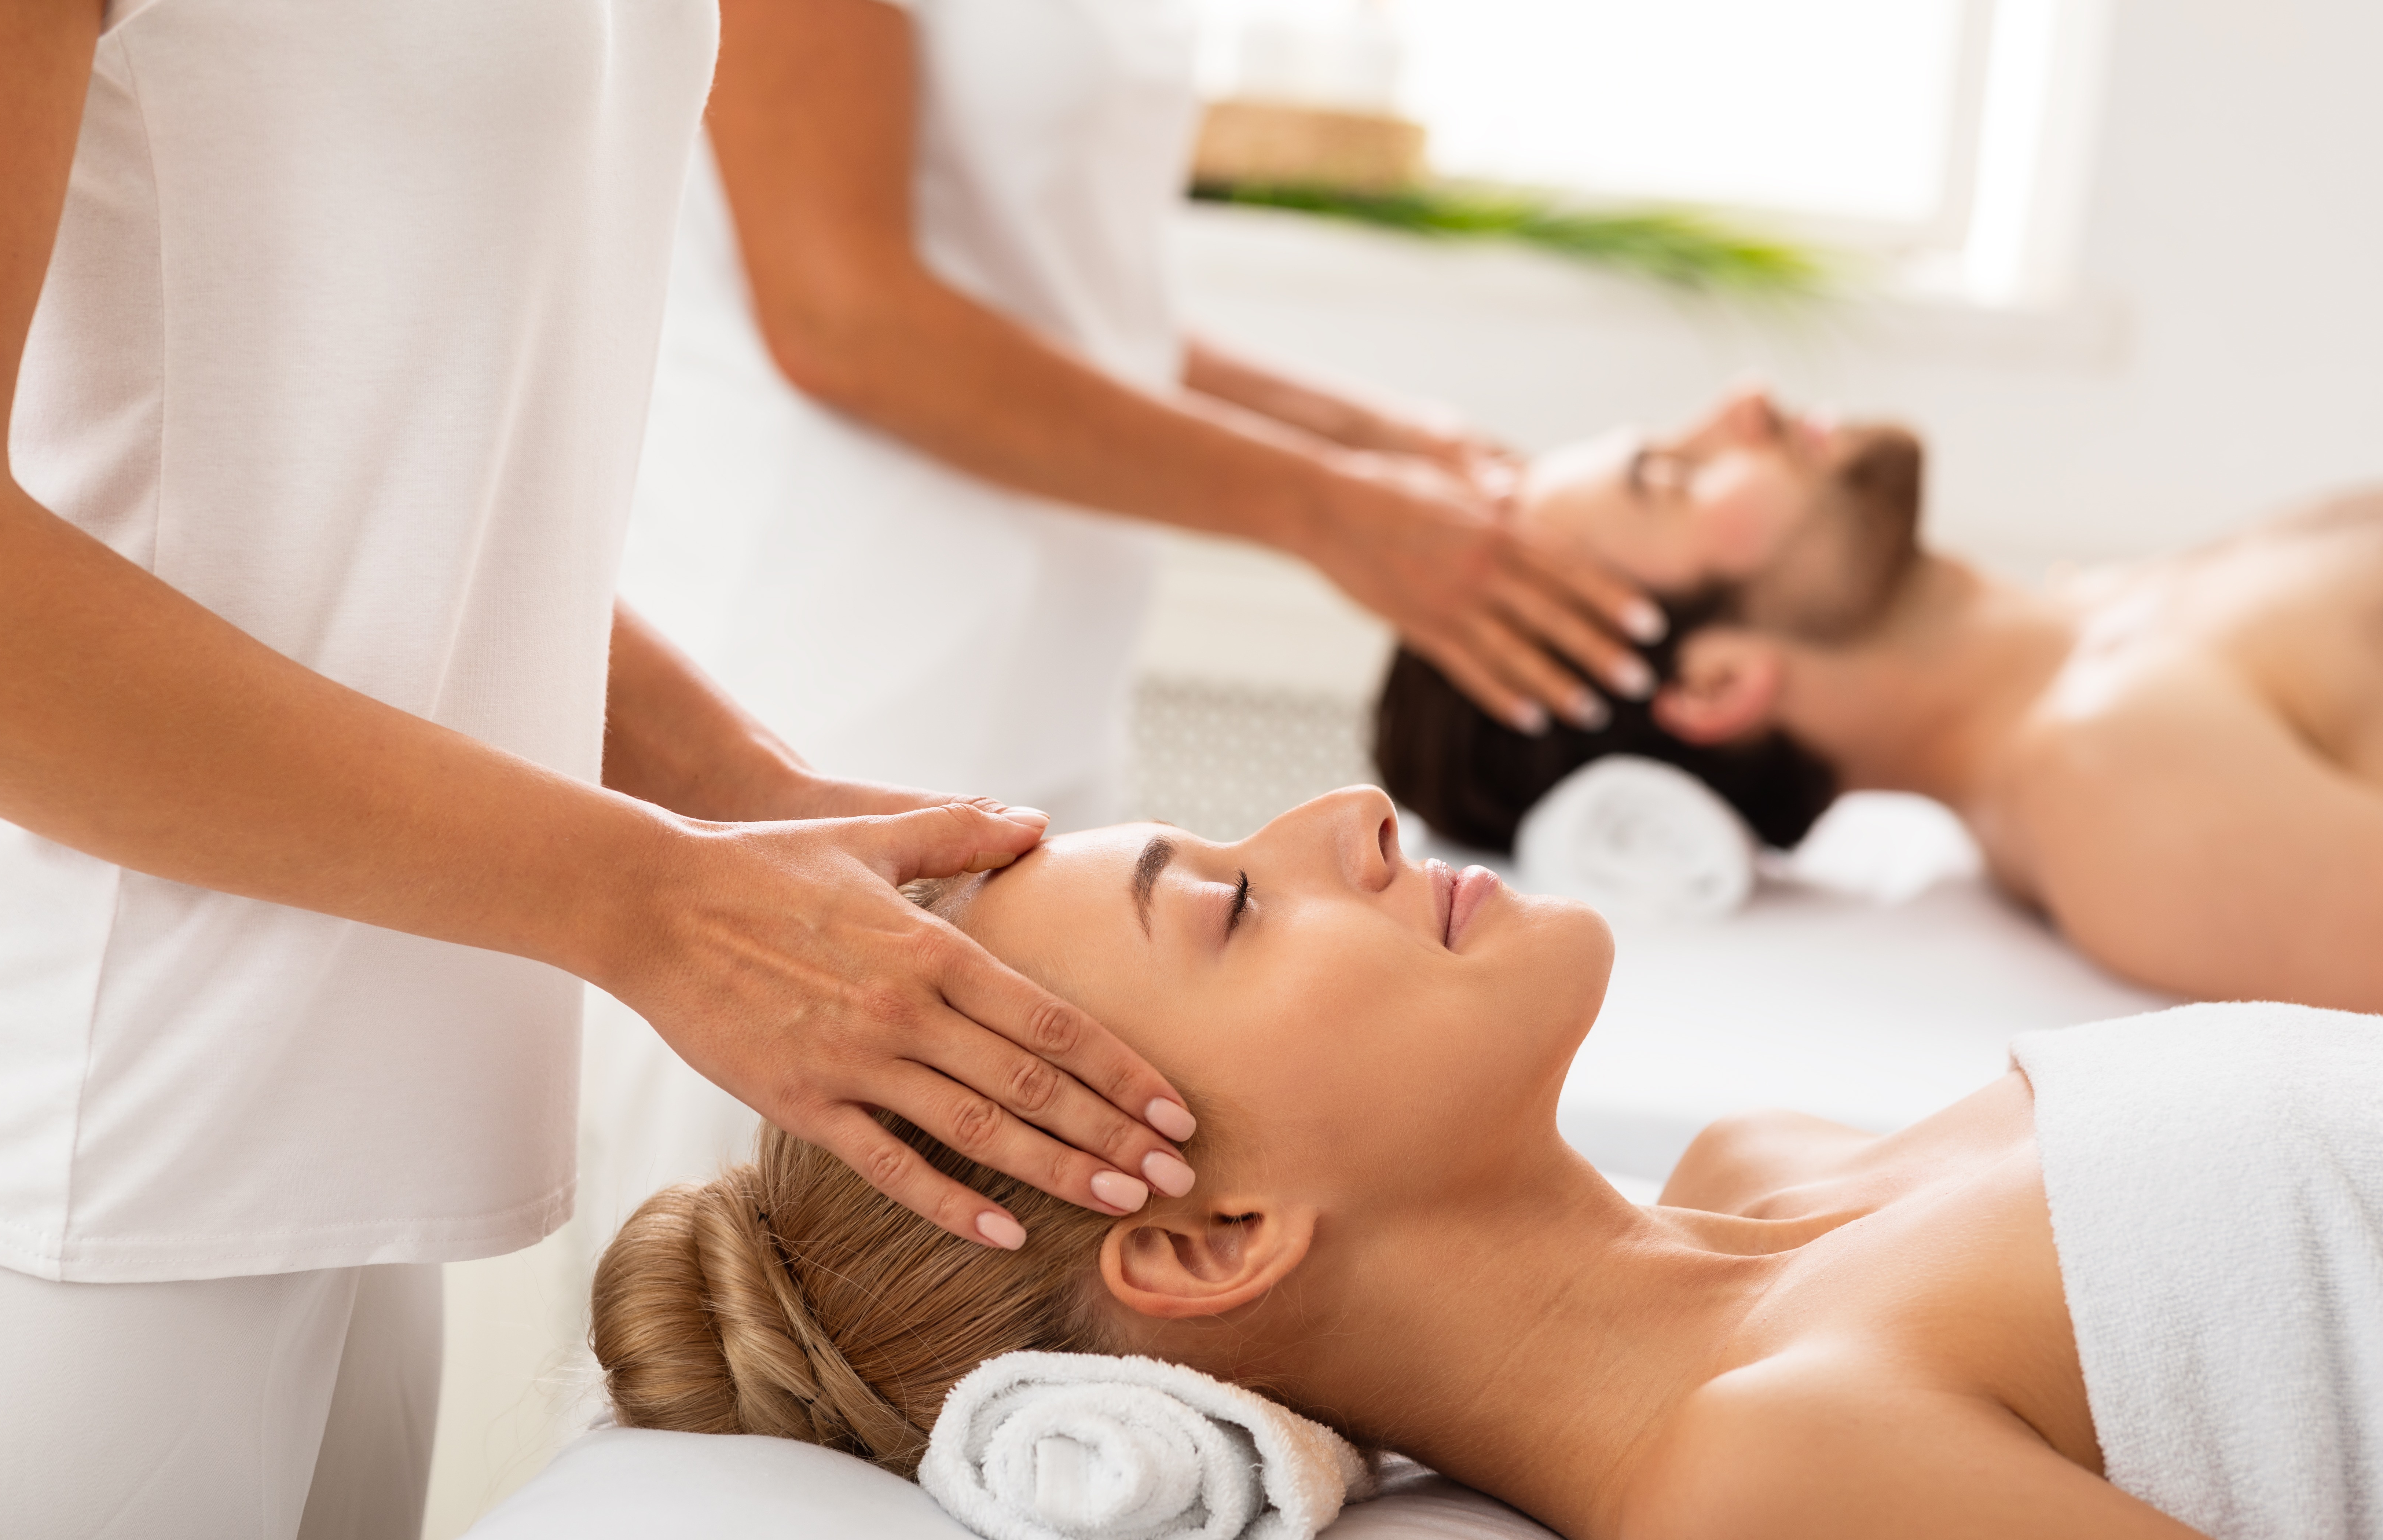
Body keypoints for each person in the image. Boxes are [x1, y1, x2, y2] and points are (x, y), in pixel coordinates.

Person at [0, 4, 1196, 1529]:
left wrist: (735, 788)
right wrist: (655, 901)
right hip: (68, 1119)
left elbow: (390, 463)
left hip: (353, 1114)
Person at [587, 789, 2383, 1537]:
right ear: (1214, 1240)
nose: (1348, 816)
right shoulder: (1769, 1473)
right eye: (1228, 909)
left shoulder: (1767, 1162)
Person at [619, 0, 1665, 830]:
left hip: (1051, 671)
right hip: (823, 651)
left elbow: (1071, 300)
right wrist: (1327, 508)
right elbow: (847, 322)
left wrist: (1374, 437)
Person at [1375, 385, 2383, 1012]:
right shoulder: (2116, 785)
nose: (1745, 405)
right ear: (1718, 684)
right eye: (1675, 477)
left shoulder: (2106, 629)